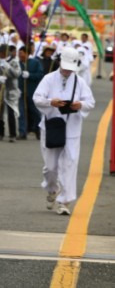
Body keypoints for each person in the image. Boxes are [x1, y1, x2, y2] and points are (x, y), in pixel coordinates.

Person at [33, 47, 95, 216]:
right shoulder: (48, 79)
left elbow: (90, 102)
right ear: (60, 62)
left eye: (70, 68)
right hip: (52, 127)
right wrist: (50, 102)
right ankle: (52, 189)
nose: (67, 71)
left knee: (69, 164)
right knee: (50, 167)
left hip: (72, 129)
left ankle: (64, 201)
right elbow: (37, 98)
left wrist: (80, 105)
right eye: (65, 67)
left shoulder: (80, 82)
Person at [0, 44, 21, 142]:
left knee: (11, 112)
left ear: (6, 52)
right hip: (0, 90)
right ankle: (0, 133)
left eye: (1, 53)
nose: (0, 54)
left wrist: (8, 67)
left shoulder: (14, 62)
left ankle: (12, 134)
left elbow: (17, 74)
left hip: (11, 90)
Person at [18, 45, 45, 140]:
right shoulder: (17, 64)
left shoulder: (35, 62)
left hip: (32, 92)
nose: (20, 55)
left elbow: (40, 75)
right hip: (20, 92)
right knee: (21, 112)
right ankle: (22, 132)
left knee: (35, 112)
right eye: (19, 53)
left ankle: (38, 131)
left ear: (27, 53)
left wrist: (30, 75)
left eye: (21, 53)